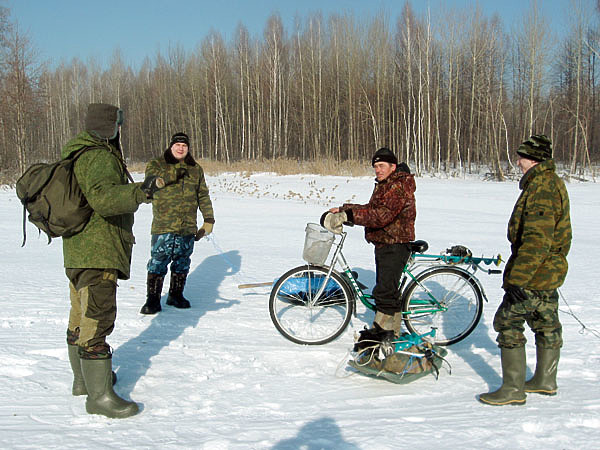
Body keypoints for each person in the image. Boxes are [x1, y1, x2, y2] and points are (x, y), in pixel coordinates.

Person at [64, 103, 164, 418]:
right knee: (98, 317)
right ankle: (99, 398)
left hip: (80, 251)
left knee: (80, 316)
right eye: (119, 125)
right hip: (99, 250)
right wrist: (140, 192)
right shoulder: (99, 156)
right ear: (111, 127)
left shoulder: (77, 153)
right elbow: (105, 199)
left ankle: (83, 381)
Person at [479, 134, 572, 406]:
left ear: (532, 159)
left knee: (507, 322)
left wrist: (517, 279)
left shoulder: (542, 187)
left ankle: (512, 389)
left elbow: (536, 239)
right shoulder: (548, 183)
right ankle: (545, 380)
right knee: (546, 321)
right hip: (547, 272)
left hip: (534, 272)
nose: (517, 162)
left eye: (521, 157)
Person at [321, 147, 416, 335]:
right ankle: (389, 331)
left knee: (385, 293)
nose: (378, 170)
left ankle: (386, 335)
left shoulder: (399, 185)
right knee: (386, 290)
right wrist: (343, 209)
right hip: (384, 242)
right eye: (375, 166)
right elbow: (370, 208)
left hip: (395, 243)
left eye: (381, 165)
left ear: (393, 166)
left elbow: (381, 216)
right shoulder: (386, 184)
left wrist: (348, 215)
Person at [139, 132, 215, 315]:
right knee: (158, 260)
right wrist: (175, 172)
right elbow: (149, 184)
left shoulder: (195, 169)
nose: (181, 148)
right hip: (164, 224)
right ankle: (153, 299)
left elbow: (202, 194)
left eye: (184, 145)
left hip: (187, 225)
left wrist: (208, 219)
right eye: (177, 145)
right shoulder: (157, 164)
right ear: (171, 146)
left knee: (182, 261)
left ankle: (176, 295)